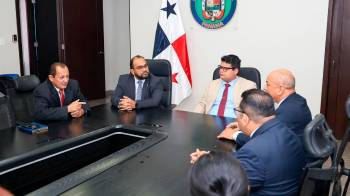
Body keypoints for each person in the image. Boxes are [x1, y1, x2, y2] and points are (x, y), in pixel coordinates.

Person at [191, 89, 306, 196]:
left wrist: (207, 165)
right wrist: (211, 157)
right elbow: (245, 160)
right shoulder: (286, 132)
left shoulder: (253, 152)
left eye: (238, 112)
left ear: (245, 119)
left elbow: (229, 184)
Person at [218, 68, 312, 148]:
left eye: (267, 84)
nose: (264, 88)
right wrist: (245, 125)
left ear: (280, 89)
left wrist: (235, 135)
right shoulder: (297, 101)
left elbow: (262, 141)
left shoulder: (288, 112)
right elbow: (268, 126)